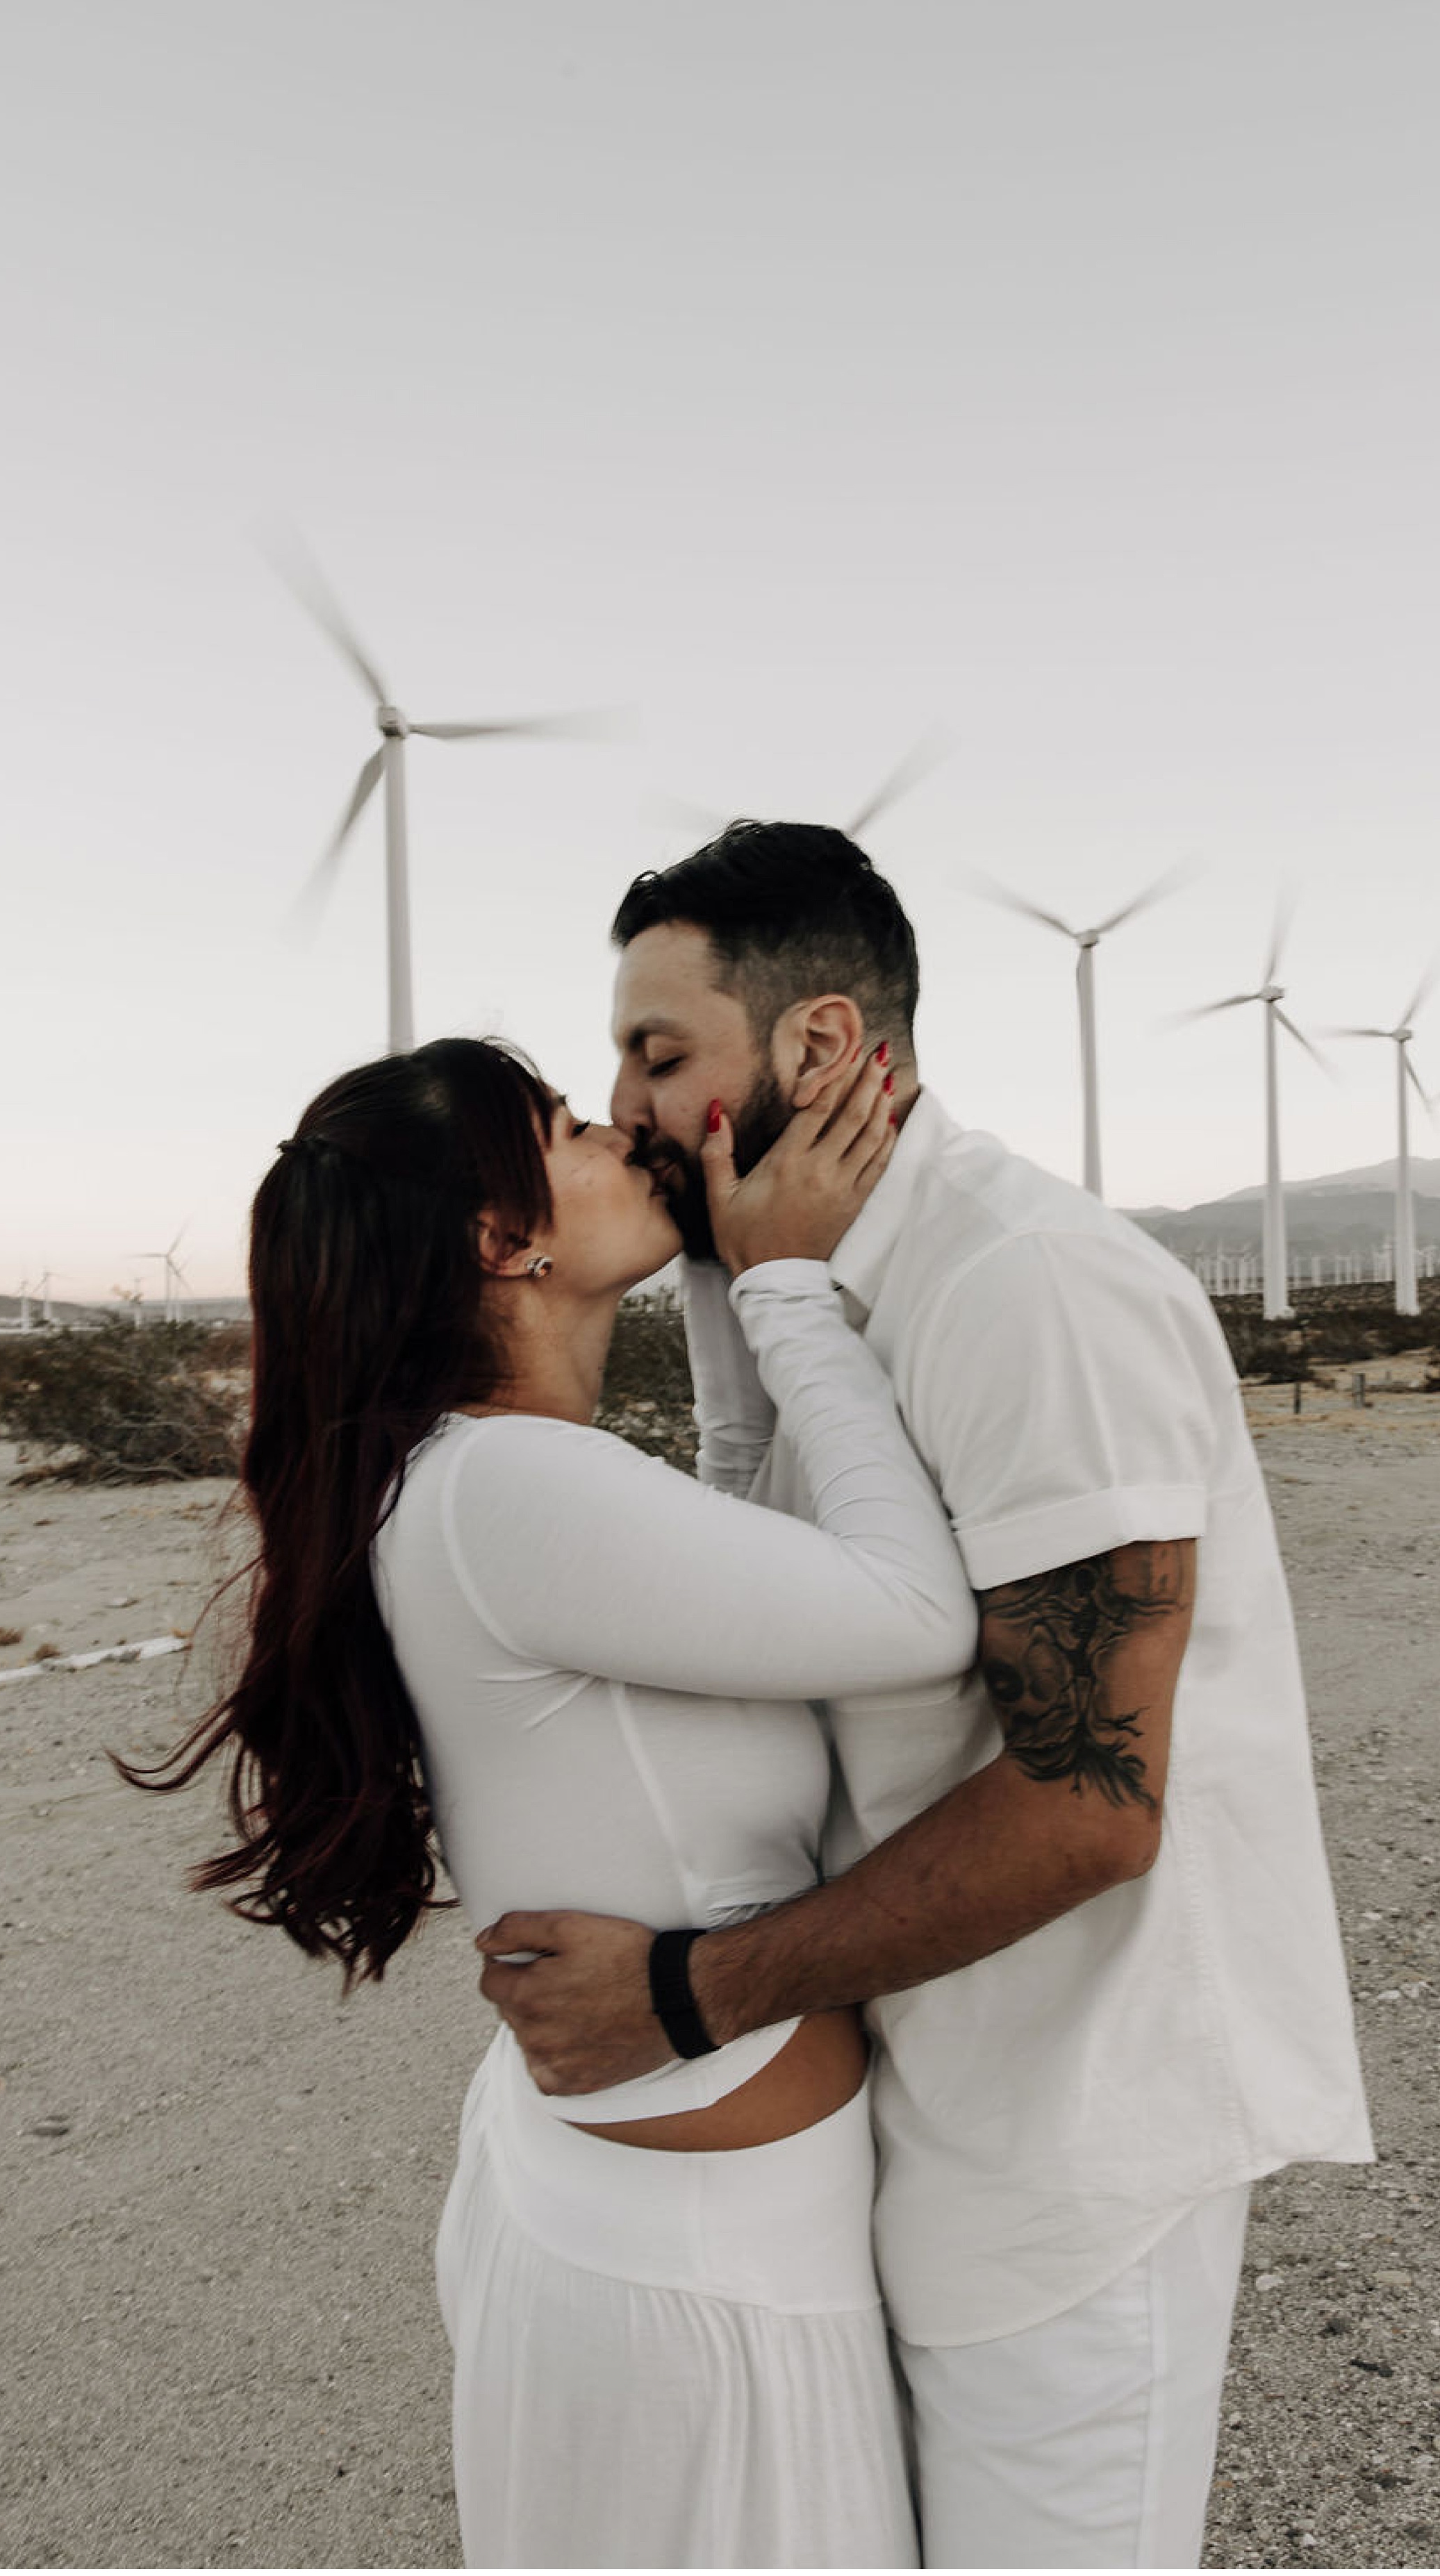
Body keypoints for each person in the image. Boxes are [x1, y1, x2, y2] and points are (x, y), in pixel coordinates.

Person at [477, 824, 1376, 2572]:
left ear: (813, 1048)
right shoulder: (793, 1288)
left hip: (1070, 2141)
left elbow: (1090, 1799)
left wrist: (682, 1992)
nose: (624, 1106)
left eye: (658, 1056)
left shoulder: (1023, 1285)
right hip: (921, 2104)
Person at [124, 1032, 984, 2570]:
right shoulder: (509, 1489)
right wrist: (786, 1281)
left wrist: (730, 1283)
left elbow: (744, 1529)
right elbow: (917, 1616)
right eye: (576, 1127)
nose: (627, 1137)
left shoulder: (485, 1476)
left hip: (678, 2237)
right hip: (694, 2287)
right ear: (500, 1236)